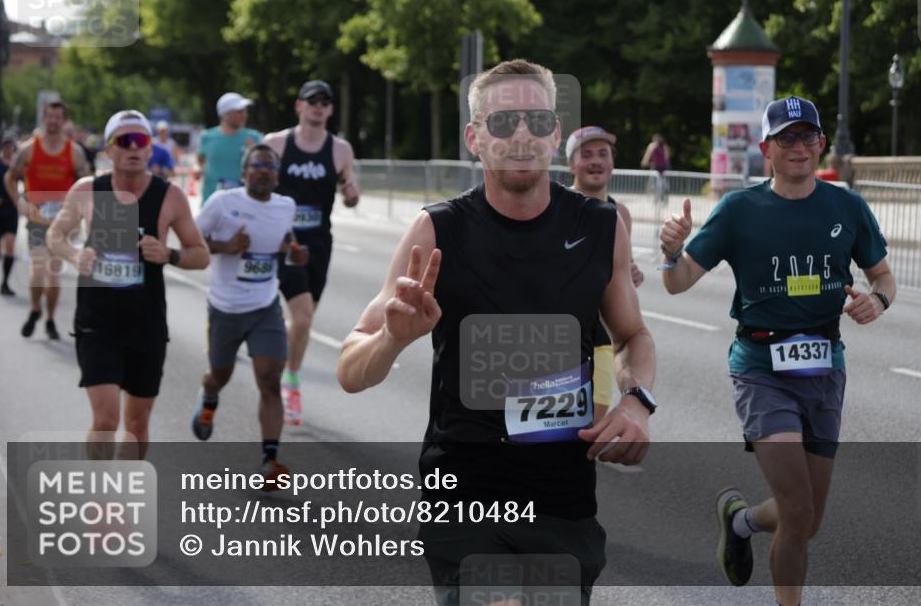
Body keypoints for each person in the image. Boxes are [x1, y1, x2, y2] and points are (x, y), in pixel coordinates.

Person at [337, 60, 657, 606]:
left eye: (537, 121)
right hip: (465, 487)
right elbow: (349, 369)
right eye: (504, 122)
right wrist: (393, 337)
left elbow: (633, 338)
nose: (523, 135)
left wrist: (636, 402)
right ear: (474, 138)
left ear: (556, 133)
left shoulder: (600, 228)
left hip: (561, 493)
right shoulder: (436, 230)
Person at [659, 96, 896, 606]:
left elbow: (883, 277)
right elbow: (678, 283)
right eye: (785, 138)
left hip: (825, 366)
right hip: (761, 368)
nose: (798, 147)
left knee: (807, 520)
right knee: (796, 508)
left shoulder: (846, 206)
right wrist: (671, 251)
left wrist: (877, 300)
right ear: (765, 148)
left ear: (821, 145)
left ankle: (741, 522)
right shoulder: (740, 209)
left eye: (807, 136)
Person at [47, 110, 210, 459]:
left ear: (151, 149)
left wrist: (169, 255)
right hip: (98, 321)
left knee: (136, 425)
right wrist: (75, 256)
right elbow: (55, 235)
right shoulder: (89, 190)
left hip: (146, 323)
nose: (134, 148)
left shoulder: (170, 197)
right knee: (106, 419)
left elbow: (201, 255)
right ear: (109, 149)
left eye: (142, 141)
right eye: (125, 141)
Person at [190, 144, 308, 483]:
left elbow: (287, 241)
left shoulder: (285, 206)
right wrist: (226, 247)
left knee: (270, 380)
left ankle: (269, 461)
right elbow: (191, 239)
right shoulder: (223, 203)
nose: (264, 170)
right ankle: (209, 396)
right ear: (244, 173)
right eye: (257, 164)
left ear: (277, 175)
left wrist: (295, 254)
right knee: (220, 375)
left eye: (270, 166)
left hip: (264, 306)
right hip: (225, 308)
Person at [262, 79, 360, 425]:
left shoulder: (340, 149)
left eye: (325, 101)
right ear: (299, 106)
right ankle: (290, 384)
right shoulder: (275, 143)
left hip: (319, 244)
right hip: (283, 242)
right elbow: (254, 184)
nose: (318, 106)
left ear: (330, 109)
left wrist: (349, 192)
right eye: (311, 100)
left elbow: (351, 196)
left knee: (303, 319)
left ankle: (284, 368)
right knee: (302, 317)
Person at [566, 126, 645, 422]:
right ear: (571, 165)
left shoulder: (619, 213)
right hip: (559, 330)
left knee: (593, 418)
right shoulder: (557, 207)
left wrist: (631, 273)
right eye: (586, 155)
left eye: (603, 154)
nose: (596, 161)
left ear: (613, 162)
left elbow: (623, 267)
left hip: (600, 331)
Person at [4, 101, 90, 340]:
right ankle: (34, 308)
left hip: (63, 222)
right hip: (37, 218)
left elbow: (86, 185)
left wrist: (79, 212)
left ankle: (50, 318)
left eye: (58, 117)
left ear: (64, 121)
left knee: (53, 273)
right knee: (38, 268)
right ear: (44, 118)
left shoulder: (74, 152)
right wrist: (19, 202)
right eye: (49, 116)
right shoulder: (29, 149)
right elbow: (10, 178)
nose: (53, 121)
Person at [197, 92, 260, 205]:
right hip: (211, 204)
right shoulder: (206, 136)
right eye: (239, 111)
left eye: (245, 111)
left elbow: (261, 169)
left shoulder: (253, 137)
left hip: (243, 205)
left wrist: (253, 152)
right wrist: (197, 169)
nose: (245, 115)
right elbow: (200, 161)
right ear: (225, 114)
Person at [0, 135, 19, 296]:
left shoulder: (16, 165)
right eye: (5, 146)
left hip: (11, 209)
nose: (8, 149)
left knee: (10, 246)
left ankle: (5, 282)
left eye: (10, 146)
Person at [640, 134, 670, 202]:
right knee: (663, 182)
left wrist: (644, 163)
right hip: (664, 167)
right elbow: (667, 157)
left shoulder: (652, 145)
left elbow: (647, 155)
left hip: (655, 167)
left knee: (652, 182)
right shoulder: (664, 146)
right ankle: (664, 196)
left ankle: (654, 196)